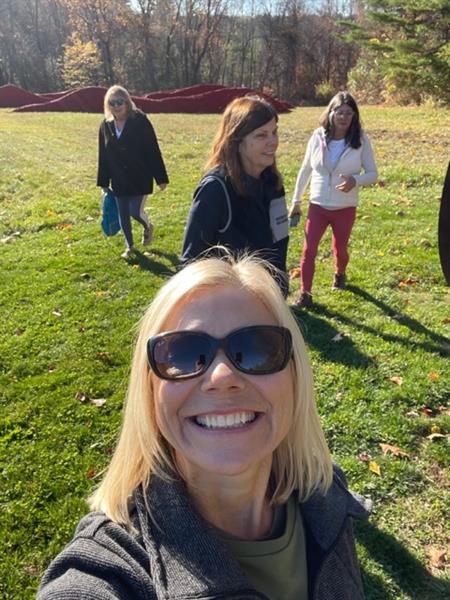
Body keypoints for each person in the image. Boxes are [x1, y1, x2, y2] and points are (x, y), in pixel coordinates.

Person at [38, 254, 370, 600]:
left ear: (295, 376)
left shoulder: (324, 491)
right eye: (183, 354)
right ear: (149, 391)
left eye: (256, 348)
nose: (222, 377)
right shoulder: (110, 567)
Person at [181, 95, 289, 295]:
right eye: (261, 135)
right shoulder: (215, 190)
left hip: (265, 299)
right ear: (237, 141)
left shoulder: (273, 184)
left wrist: (279, 290)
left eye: (274, 132)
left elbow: (279, 242)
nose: (273, 142)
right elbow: (191, 263)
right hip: (225, 303)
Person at [289, 91, 378, 308]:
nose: (344, 117)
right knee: (309, 249)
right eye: (339, 112)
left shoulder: (360, 140)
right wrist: (296, 201)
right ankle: (305, 294)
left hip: (345, 207)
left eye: (349, 113)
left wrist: (355, 180)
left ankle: (340, 273)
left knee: (340, 248)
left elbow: (373, 174)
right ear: (331, 113)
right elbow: (305, 169)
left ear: (354, 116)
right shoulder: (317, 136)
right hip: (318, 205)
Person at [97, 85, 169, 259]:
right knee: (123, 214)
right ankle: (129, 246)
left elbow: (153, 149)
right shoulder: (105, 125)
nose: (116, 106)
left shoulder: (140, 121)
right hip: (119, 178)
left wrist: (161, 177)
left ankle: (147, 226)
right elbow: (103, 155)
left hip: (140, 175)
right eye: (112, 103)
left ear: (127, 102)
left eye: (119, 101)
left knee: (135, 212)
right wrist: (104, 182)